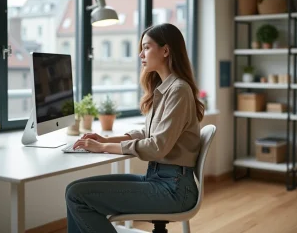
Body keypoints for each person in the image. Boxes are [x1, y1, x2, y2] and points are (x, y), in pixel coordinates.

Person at [65, 23, 205, 233]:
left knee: (77, 195)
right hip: (160, 179)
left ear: (165, 51)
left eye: (147, 47)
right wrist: (105, 140)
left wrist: (103, 148)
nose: (140, 54)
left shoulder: (178, 90)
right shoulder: (164, 89)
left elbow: (157, 146)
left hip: (174, 189)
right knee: (73, 189)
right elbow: (147, 134)